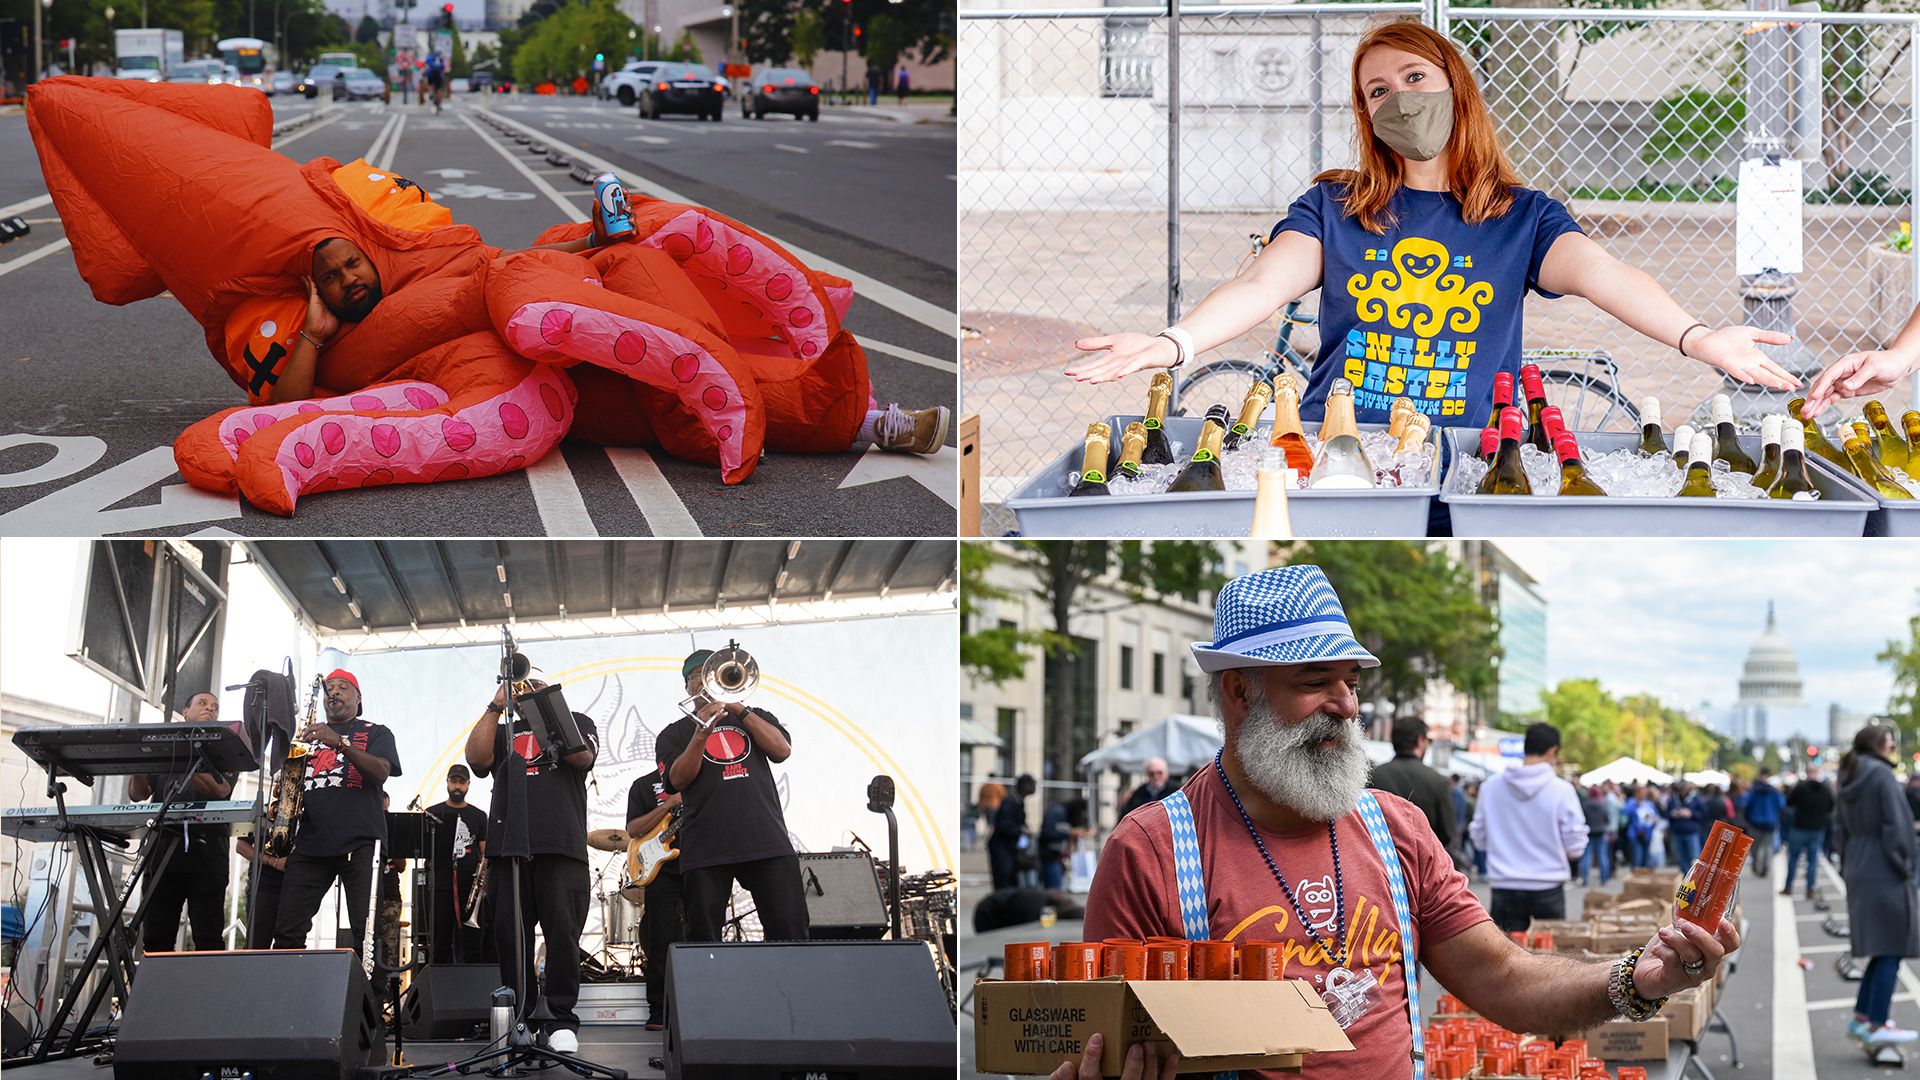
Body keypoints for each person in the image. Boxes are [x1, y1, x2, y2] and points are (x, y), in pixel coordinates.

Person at [1074, 565, 1735, 1080]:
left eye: (1353, 682)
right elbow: (1093, 1041)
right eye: (1315, 680)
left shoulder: (1395, 828)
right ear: (1239, 690)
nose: (1347, 706)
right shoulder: (1153, 848)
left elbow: (1502, 975)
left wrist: (1634, 978)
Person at [1063, 20, 1797, 421]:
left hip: (1470, 449)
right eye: (1377, 90)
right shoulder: (1333, 206)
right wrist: (1173, 342)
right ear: (1366, 114)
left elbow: (1605, 275)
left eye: (1415, 78)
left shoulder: (1523, 218)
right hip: (1335, 440)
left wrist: (1700, 338)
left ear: (1457, 89)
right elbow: (1262, 284)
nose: (1398, 100)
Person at [464, 673, 600, 1053]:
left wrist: (546, 707)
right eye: (525, 689)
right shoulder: (505, 731)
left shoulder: (578, 722)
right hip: (509, 849)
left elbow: (582, 756)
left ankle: (560, 1018)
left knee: (562, 936)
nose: (528, 693)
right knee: (510, 937)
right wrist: (496, 705)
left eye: (537, 688)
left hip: (560, 844)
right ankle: (520, 1016)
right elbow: (476, 759)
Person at [655, 648, 809, 943]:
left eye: (712, 672)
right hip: (706, 846)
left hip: (766, 841)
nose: (704, 681)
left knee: (790, 930)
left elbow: (781, 750)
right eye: (697, 676)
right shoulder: (673, 734)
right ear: (687, 686)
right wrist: (702, 730)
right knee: (704, 938)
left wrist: (739, 709)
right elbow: (677, 780)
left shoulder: (756, 716)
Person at [272, 670, 403, 955]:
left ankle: (371, 999)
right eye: (329, 687)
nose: (334, 692)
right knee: (287, 930)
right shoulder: (307, 736)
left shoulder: (376, 732)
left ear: (359, 698)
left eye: (343, 687)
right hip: (309, 844)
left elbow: (381, 772)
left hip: (360, 843)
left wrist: (341, 743)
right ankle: (289, 996)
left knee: (367, 932)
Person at [129, 690, 234, 954]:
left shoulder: (226, 749)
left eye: (216, 706)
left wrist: (182, 754)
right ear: (185, 712)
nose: (211, 709)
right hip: (162, 853)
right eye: (203, 703)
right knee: (156, 940)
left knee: (208, 940)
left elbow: (221, 790)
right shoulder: (164, 746)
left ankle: (205, 995)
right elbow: (137, 794)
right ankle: (158, 994)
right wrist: (140, 760)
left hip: (208, 856)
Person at [1835, 724, 1920, 1047]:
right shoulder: (1881, 775)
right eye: (1892, 742)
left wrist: (1848, 863)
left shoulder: (1849, 774)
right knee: (1892, 945)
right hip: (1884, 867)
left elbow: (1838, 828)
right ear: (1882, 745)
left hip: (1859, 863)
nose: (1894, 747)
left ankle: (1863, 1017)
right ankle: (1876, 1022)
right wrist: (1908, 866)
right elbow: (1897, 828)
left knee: (1880, 945)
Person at [1469, 722, 1588, 934]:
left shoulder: (1491, 787)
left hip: (1504, 884)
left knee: (1505, 960)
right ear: (1553, 751)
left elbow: (1478, 834)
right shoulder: (1561, 790)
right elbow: (1576, 845)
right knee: (1550, 959)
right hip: (1548, 885)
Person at [624, 757, 684, 1031]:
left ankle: (698, 1004)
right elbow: (634, 830)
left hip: (699, 864)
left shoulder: (699, 779)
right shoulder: (643, 786)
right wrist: (670, 805)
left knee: (701, 936)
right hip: (662, 872)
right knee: (661, 940)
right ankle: (658, 1009)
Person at [425, 764, 491, 963]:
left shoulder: (479, 816)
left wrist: (483, 877)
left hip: (470, 888)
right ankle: (441, 990)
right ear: (447, 782)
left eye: (462, 782)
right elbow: (424, 848)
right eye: (454, 781)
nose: (457, 786)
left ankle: (473, 990)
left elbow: (484, 852)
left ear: (468, 785)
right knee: (440, 946)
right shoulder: (432, 812)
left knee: (473, 947)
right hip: (441, 887)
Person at [1368, 716, 1455, 851]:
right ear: (1420, 740)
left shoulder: (1373, 776)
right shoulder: (1438, 781)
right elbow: (1447, 833)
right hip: (1422, 862)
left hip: (1380, 861)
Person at [1784, 766, 1835, 900]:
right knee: (1812, 861)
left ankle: (1788, 886)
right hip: (1817, 830)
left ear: (1806, 773)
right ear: (1817, 773)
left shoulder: (1800, 788)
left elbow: (1789, 803)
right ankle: (1810, 889)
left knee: (1793, 859)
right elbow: (1831, 807)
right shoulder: (1825, 789)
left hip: (1799, 828)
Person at [988, 774, 1036, 890]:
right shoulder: (1010, 801)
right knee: (1004, 878)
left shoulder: (1019, 802)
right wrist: (1021, 830)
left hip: (1010, 846)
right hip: (1001, 846)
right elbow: (1003, 825)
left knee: (1011, 877)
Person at [1743, 770, 1784, 877]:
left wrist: (1748, 818)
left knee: (1755, 847)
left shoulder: (1754, 791)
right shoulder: (1774, 792)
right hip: (1770, 822)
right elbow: (1781, 805)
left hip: (1755, 822)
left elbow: (1747, 805)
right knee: (1768, 846)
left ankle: (1756, 864)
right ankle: (1766, 865)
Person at [1665, 781, 1707, 870]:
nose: (1682, 792)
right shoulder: (1673, 799)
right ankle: (1685, 877)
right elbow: (1666, 813)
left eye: (1684, 789)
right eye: (1680, 790)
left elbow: (1704, 814)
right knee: (1680, 858)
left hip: (1691, 832)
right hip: (1677, 832)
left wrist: (1691, 814)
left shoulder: (1696, 799)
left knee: (1694, 857)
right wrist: (1673, 814)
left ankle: (1694, 879)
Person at [1579, 785, 1614, 887]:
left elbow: (1581, 819)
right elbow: (1607, 819)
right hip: (1600, 832)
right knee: (1602, 856)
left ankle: (1585, 879)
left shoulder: (1585, 805)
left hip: (1588, 833)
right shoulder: (1602, 805)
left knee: (1587, 856)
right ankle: (1604, 878)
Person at [1625, 786, 1661, 869]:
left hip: (1647, 834)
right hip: (1635, 834)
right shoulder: (1632, 803)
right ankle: (1635, 878)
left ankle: (1643, 879)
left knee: (1645, 859)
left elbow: (1655, 815)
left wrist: (1655, 820)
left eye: (1644, 793)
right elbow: (1626, 812)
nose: (1643, 795)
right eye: (1641, 793)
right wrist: (1635, 804)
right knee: (1637, 858)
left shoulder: (1649, 804)